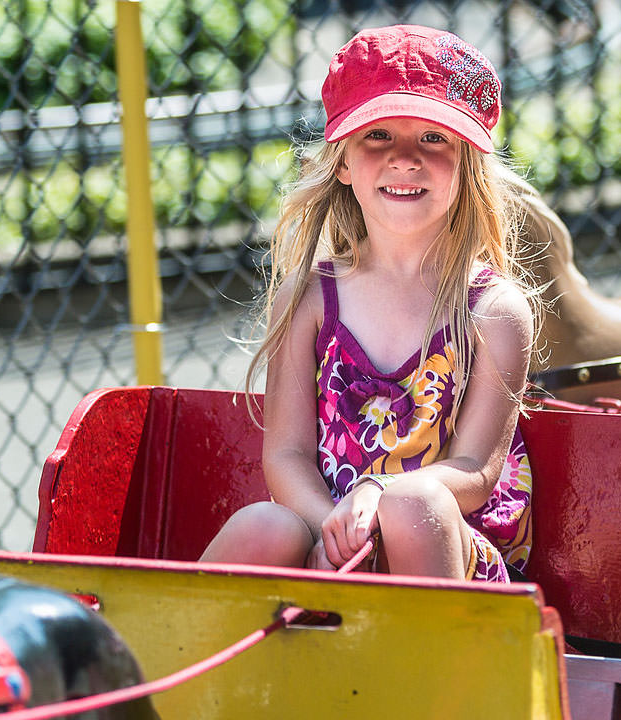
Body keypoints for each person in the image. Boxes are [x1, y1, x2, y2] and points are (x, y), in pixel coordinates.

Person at [199, 24, 538, 582]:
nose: (404, 158)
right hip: (329, 534)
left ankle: (435, 669)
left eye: (433, 139)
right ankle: (171, 661)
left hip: (448, 547)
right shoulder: (310, 298)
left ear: (468, 164)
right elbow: (285, 457)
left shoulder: (492, 310)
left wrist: (380, 493)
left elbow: (476, 474)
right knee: (266, 524)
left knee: (415, 504)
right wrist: (332, 524)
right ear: (342, 162)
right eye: (377, 135)